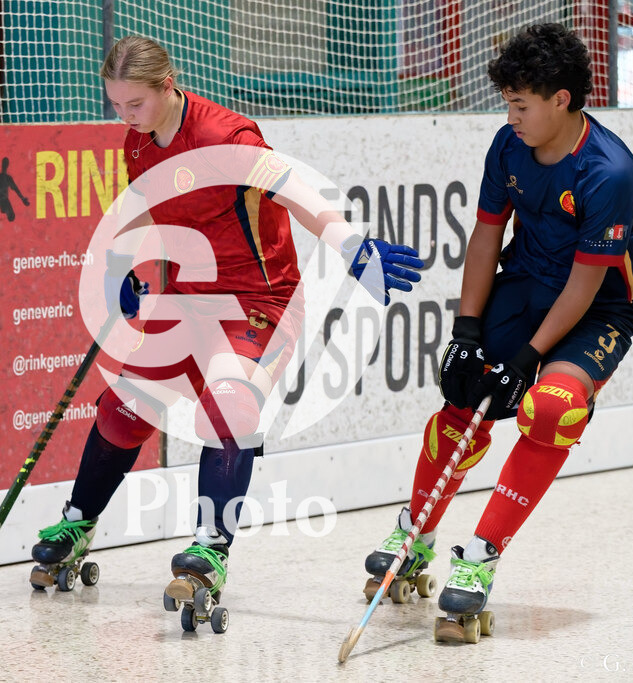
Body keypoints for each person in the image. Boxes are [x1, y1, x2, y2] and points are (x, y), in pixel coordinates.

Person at [30, 35, 424, 627]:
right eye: (115, 104)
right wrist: (123, 269)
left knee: (229, 406)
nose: (124, 116)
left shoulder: (226, 136)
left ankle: (210, 548)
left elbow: (294, 189)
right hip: (186, 299)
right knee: (123, 409)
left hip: (259, 299)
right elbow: (144, 209)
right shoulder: (138, 140)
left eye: (134, 103)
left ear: (168, 85)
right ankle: (77, 522)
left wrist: (349, 245)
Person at [363, 22, 633, 630]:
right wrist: (466, 332)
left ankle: (482, 555)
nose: (510, 116)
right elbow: (487, 235)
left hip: (598, 307)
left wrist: (526, 360)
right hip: (525, 284)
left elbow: (585, 285)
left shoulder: (609, 172)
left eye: (521, 104)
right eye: (507, 103)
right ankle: (416, 532)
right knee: (463, 397)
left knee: (551, 410)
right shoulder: (508, 145)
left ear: (561, 100)